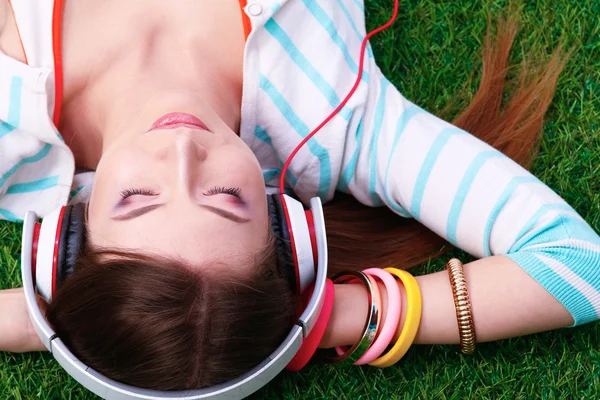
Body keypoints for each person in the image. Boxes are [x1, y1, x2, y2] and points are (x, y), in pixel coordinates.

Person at [0, 0, 598, 393]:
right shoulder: (337, 120)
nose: (181, 152)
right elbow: (579, 268)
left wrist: (44, 314)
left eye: (134, 198)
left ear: (66, 243)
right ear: (288, 232)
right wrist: (324, 314)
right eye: (226, 197)